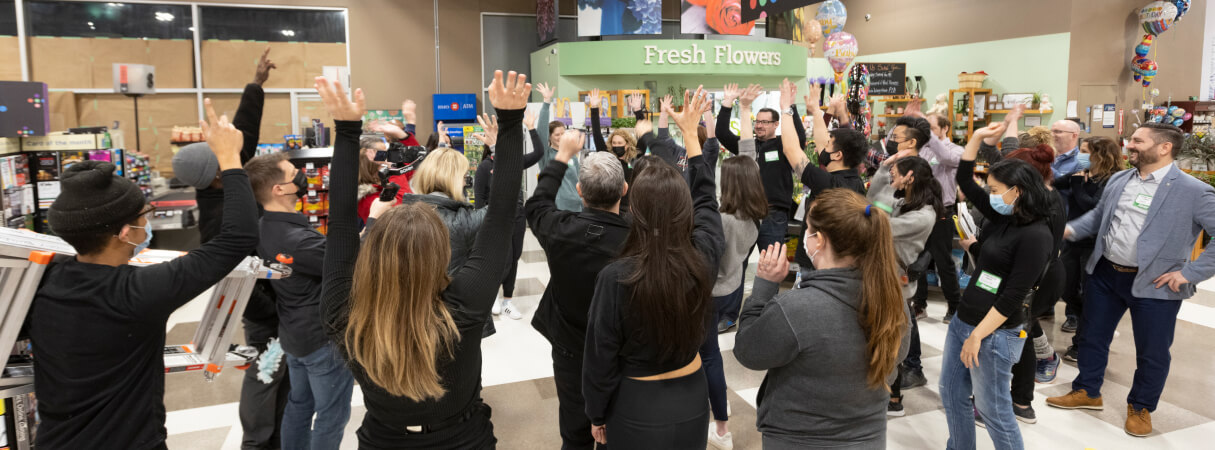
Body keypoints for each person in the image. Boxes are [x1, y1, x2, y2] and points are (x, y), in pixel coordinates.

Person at [30, 102, 257, 449]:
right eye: (144, 214)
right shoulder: (138, 292)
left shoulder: (44, 281)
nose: (147, 222)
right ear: (125, 233)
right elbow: (237, 239)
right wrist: (229, 159)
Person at [320, 71, 527, 448]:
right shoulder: (463, 309)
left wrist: (347, 130)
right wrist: (511, 122)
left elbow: (340, 224)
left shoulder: (344, 314)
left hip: (382, 439)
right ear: (439, 255)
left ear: (372, 253)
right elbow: (502, 214)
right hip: (463, 438)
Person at [1046, 123, 1215, 437]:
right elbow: (1099, 217)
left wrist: (1189, 273)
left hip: (1155, 283)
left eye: (1138, 140)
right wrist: (1068, 230)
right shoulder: (1121, 179)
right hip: (1106, 274)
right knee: (1092, 337)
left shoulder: (1194, 191)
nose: (1129, 145)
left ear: (1164, 147)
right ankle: (1087, 390)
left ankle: (1141, 406)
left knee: (1152, 351)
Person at [583, 87, 723, 448]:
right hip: (693, 395)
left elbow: (600, 356)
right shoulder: (703, 258)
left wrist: (596, 413)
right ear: (685, 209)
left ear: (635, 210)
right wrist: (691, 138)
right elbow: (707, 202)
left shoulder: (616, 277)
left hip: (635, 404)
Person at [169, 48, 288, 450]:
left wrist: (256, 83)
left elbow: (244, 133)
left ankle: (276, 434)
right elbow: (237, 277)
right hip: (265, 311)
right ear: (217, 177)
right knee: (266, 369)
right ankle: (257, 441)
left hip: (275, 301)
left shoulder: (226, 184)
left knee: (280, 372)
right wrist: (275, 309)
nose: (232, 156)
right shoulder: (221, 217)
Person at [735, 188, 909, 448]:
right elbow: (893, 364)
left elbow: (748, 351)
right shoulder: (894, 302)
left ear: (820, 240)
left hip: (798, 439)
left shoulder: (796, 309)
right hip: (870, 435)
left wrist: (763, 287)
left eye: (808, 228)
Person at [942, 121, 1053, 450]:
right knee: (952, 393)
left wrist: (977, 335)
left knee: (993, 410)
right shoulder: (1005, 216)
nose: (990, 196)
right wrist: (977, 137)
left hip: (994, 333)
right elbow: (965, 180)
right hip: (965, 319)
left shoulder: (1037, 235)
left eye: (994, 190)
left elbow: (1013, 295)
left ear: (1016, 191)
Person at [526, 134, 629, 450]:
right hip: (620, 353)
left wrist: (562, 155)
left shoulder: (558, 228)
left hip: (569, 348)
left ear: (579, 190)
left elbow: (537, 203)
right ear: (624, 190)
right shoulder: (637, 241)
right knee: (618, 426)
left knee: (574, 432)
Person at [244, 152, 354, 447]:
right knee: (331, 415)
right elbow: (347, 263)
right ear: (279, 189)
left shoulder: (264, 227)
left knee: (299, 405)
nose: (303, 177)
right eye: (294, 173)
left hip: (293, 333)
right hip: (322, 338)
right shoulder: (299, 240)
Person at [992, 144, 1067, 424]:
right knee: (1023, 327)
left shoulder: (1044, 204)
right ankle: (1042, 361)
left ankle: (1021, 401)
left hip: (1040, 279)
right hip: (1035, 275)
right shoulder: (1035, 198)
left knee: (1018, 332)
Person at [868, 153, 942, 417]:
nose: (893, 178)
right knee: (883, 338)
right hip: (882, 280)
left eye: (896, 174)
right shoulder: (905, 204)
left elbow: (879, 223)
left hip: (895, 287)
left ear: (910, 178)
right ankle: (885, 393)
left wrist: (888, 189)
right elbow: (873, 205)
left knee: (891, 342)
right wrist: (883, 171)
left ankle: (893, 398)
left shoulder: (924, 215)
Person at [702, 152, 766, 449]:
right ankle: (716, 399)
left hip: (709, 291)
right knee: (709, 352)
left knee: (708, 355)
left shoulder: (723, 220)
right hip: (730, 287)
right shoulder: (753, 216)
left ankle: (721, 427)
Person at [715, 82, 807, 253]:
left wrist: (790, 106)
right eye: (757, 121)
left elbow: (800, 139)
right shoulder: (746, 145)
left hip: (773, 213)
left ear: (776, 124)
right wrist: (727, 104)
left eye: (765, 122)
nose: (759, 125)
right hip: (745, 212)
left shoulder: (783, 145)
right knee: (738, 261)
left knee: (771, 259)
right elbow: (721, 133)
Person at [473, 110, 545, 322]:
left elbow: (539, 153)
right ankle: (493, 295)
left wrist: (531, 128)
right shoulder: (485, 167)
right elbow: (479, 200)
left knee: (514, 259)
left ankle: (507, 301)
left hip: (517, 218)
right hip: (496, 221)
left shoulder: (515, 162)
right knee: (501, 260)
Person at [1055, 136, 1121, 361]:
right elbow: (1053, 185)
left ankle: (1081, 343)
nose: (1080, 155)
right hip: (1072, 242)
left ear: (1100, 155)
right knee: (1066, 289)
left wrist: (1077, 186)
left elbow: (1093, 207)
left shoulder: (1111, 181)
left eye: (1085, 151)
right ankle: (1093, 324)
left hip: (1093, 245)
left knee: (1090, 294)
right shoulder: (1080, 174)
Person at [795, 81, 870, 277]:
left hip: (817, 261)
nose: (823, 147)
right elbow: (822, 141)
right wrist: (818, 111)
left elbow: (791, 150)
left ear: (838, 155)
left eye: (829, 144)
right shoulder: (856, 182)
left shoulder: (827, 183)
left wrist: (787, 109)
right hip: (840, 259)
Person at [534, 83, 582, 212]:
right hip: (556, 208)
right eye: (557, 134)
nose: (561, 137)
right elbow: (541, 131)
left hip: (576, 207)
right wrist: (546, 102)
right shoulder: (546, 156)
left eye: (563, 133)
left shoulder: (572, 156)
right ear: (549, 137)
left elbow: (578, 182)